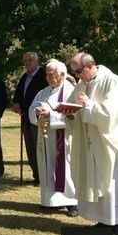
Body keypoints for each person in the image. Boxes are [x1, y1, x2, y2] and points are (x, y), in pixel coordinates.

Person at [66, 53, 118, 227]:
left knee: (112, 183)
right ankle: (102, 220)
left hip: (110, 143)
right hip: (90, 143)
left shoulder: (112, 81)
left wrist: (89, 105)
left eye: (79, 71)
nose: (77, 76)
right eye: (74, 72)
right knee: (95, 179)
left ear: (90, 66)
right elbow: (73, 109)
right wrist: (69, 114)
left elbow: (114, 114)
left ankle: (117, 222)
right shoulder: (81, 85)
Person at [29, 59, 78, 216]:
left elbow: (75, 115)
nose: (47, 77)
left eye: (50, 74)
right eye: (46, 74)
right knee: (46, 168)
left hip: (63, 138)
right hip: (45, 137)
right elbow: (32, 108)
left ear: (61, 75)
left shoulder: (71, 92)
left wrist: (51, 115)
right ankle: (50, 201)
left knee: (65, 169)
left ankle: (71, 202)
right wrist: (36, 112)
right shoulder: (43, 92)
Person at [12, 52, 48, 185]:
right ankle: (36, 175)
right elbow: (18, 94)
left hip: (39, 117)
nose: (27, 63)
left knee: (39, 146)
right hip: (25, 116)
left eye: (30, 60)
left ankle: (43, 176)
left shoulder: (44, 76)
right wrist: (16, 103)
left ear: (37, 62)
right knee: (30, 146)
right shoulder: (24, 77)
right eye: (25, 61)